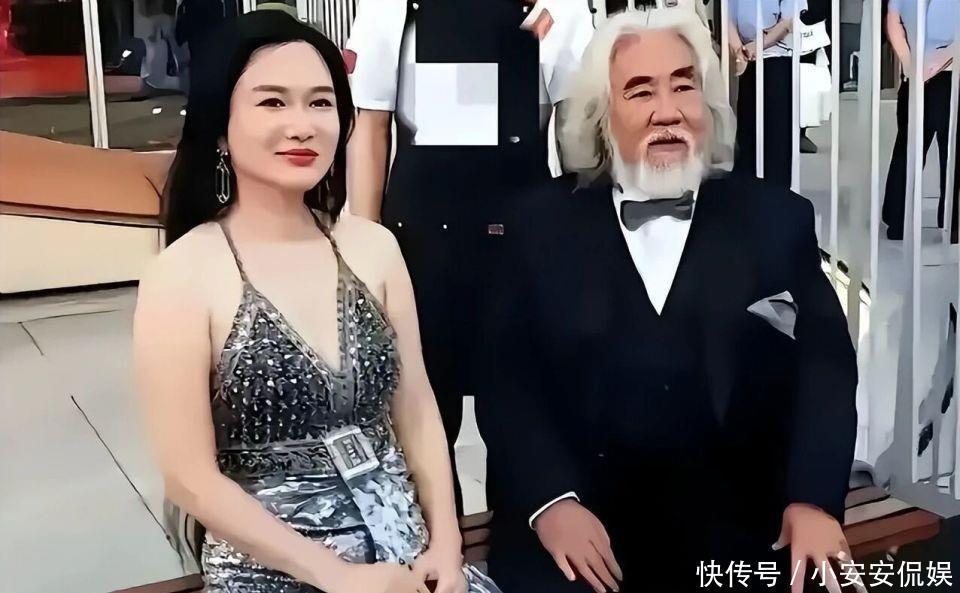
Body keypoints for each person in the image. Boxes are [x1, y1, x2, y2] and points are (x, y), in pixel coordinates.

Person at [479, 8, 859, 593]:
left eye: (684, 86)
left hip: (736, 529)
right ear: (602, 116)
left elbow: (825, 368)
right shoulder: (537, 227)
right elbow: (506, 378)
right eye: (640, 91)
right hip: (584, 526)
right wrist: (549, 501)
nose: (668, 111)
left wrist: (813, 500)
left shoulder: (775, 221)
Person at [134, 11, 502, 593]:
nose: (302, 126)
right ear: (221, 127)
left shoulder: (374, 247)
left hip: (408, 560)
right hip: (271, 574)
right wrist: (335, 576)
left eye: (321, 103)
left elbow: (416, 409)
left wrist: (446, 545)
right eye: (272, 102)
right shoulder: (183, 273)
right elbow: (189, 477)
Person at [344, 0, 593, 510]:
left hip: (525, 245)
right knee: (423, 417)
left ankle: (526, 539)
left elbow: (577, 134)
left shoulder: (559, 5)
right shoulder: (387, 7)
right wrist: (364, 255)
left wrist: (584, 244)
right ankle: (437, 540)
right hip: (420, 246)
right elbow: (370, 127)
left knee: (527, 413)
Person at [880, 0, 959, 242]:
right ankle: (904, 218)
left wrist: (917, 64)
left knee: (934, 152)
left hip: (944, 73)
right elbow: (893, 19)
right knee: (912, 150)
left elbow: (894, 19)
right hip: (924, 73)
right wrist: (910, 63)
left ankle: (903, 218)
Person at [729, 0, 807, 186]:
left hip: (777, 56)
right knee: (746, 135)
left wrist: (758, 45)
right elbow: (727, 18)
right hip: (744, 59)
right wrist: (740, 50)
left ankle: (777, 193)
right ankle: (748, 193)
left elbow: (788, 21)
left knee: (777, 137)